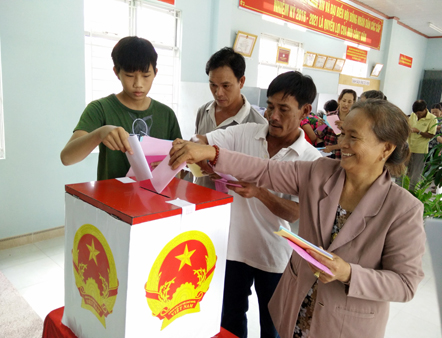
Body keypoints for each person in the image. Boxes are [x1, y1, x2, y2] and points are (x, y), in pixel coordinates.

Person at [168, 99, 426, 338]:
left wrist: (348, 273)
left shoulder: (403, 209)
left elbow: (405, 283)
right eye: (344, 133)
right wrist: (212, 153)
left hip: (346, 324)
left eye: (354, 137)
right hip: (296, 309)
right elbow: (264, 170)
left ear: (386, 148)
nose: (342, 143)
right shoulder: (321, 172)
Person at [193, 71, 321, 338]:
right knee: (229, 320)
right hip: (233, 249)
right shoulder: (246, 134)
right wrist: (197, 151)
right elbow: (206, 142)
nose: (273, 116)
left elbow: (298, 213)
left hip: (274, 256)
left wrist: (260, 193)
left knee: (273, 326)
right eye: (270, 107)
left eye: (283, 109)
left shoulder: (311, 160)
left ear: (305, 110)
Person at [60, 36, 182, 180]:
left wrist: (170, 167)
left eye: (146, 75)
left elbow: (180, 171)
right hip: (113, 200)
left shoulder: (166, 114)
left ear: (155, 72)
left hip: (156, 199)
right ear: (116, 72)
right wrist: (100, 134)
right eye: (130, 75)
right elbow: (67, 158)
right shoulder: (100, 109)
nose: (138, 84)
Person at [194, 47, 267, 189]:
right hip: (200, 194)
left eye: (226, 86)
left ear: (241, 81)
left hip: (232, 204)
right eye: (213, 85)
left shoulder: (258, 124)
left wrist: (223, 172)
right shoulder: (203, 111)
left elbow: (258, 175)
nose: (218, 93)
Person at [316, 89, 357, 159]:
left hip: (343, 156)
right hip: (327, 155)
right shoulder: (329, 115)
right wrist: (320, 127)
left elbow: (353, 141)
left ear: (353, 103)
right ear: (339, 100)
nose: (346, 104)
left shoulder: (354, 119)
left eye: (349, 102)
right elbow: (320, 135)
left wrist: (345, 128)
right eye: (344, 100)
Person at [407, 100, 437, 190]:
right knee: (405, 171)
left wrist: (418, 131)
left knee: (416, 173)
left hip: (420, 149)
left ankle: (412, 192)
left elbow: (431, 135)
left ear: (425, 109)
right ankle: (403, 190)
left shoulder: (432, 118)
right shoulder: (413, 115)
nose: (417, 115)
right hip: (409, 147)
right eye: (416, 113)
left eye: (419, 113)